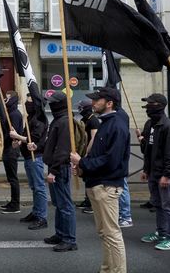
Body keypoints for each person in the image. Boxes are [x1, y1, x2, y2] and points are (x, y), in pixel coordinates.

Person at [70, 87, 129, 273]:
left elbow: (111, 160)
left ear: (109, 103)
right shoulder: (106, 122)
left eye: (97, 100)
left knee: (112, 234)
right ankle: (107, 269)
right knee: (104, 233)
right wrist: (82, 168)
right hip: (97, 184)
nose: (93, 103)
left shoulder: (117, 125)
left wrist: (83, 163)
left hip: (107, 186)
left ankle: (118, 271)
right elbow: (99, 154)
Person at [138, 94, 170, 251]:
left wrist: (167, 175)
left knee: (168, 205)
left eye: (151, 103)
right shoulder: (150, 124)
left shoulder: (169, 126)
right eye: (147, 103)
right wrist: (146, 169)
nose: (148, 106)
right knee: (158, 204)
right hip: (153, 172)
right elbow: (148, 150)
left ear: (161, 105)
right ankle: (162, 232)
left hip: (163, 174)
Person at [40, 91, 77, 251]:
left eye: (53, 102)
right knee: (59, 204)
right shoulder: (59, 120)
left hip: (59, 168)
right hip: (55, 166)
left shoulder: (65, 121)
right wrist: (39, 147)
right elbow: (52, 144)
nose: (50, 104)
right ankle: (61, 234)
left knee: (65, 205)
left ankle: (69, 239)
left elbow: (63, 150)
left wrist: (53, 171)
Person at [9, 94, 48, 230]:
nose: (26, 102)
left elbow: (35, 139)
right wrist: (18, 141)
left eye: (29, 100)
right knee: (34, 187)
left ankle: (42, 217)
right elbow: (27, 136)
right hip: (27, 157)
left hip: (35, 157)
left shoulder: (40, 119)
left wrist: (18, 136)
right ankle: (36, 212)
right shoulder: (30, 118)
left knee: (39, 187)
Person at [76, 98, 100, 214]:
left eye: (81, 107)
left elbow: (93, 138)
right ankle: (87, 200)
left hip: (90, 153)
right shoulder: (84, 119)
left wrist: (87, 153)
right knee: (86, 177)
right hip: (83, 151)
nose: (79, 109)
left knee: (91, 178)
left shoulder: (93, 120)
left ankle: (92, 203)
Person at [0, 90, 22, 214]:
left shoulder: (14, 114)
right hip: (9, 149)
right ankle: (13, 202)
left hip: (11, 150)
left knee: (13, 178)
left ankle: (15, 204)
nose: (5, 100)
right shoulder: (11, 113)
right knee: (11, 177)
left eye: (7, 98)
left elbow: (12, 134)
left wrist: (2, 139)